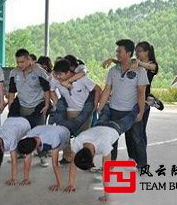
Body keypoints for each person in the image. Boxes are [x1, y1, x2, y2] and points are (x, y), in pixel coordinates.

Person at [102, 41, 159, 170]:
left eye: (140, 51)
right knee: (128, 134)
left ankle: (142, 162)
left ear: (147, 52)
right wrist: (113, 60)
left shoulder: (151, 65)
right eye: (137, 51)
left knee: (139, 134)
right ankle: (132, 158)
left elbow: (150, 69)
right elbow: (123, 62)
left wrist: (137, 63)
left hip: (142, 102)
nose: (137, 53)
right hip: (127, 103)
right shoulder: (129, 65)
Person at [67, 106, 140, 202]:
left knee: (132, 116)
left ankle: (145, 102)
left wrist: (107, 195)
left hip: (116, 127)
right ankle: (108, 102)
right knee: (105, 110)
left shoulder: (102, 145)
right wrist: (71, 184)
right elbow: (73, 163)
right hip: (99, 124)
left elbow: (107, 171)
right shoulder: (78, 141)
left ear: (93, 156)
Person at [50, 59, 100, 143]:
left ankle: (82, 155)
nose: (58, 77)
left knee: (83, 137)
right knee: (65, 135)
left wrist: (95, 106)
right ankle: (67, 156)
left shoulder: (82, 79)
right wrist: (57, 104)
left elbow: (98, 89)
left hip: (84, 111)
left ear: (68, 72)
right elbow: (51, 91)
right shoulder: (56, 80)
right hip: (68, 111)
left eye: (60, 74)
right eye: (56, 74)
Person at [16, 123, 71, 189]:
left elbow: (55, 164)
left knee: (59, 149)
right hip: (51, 130)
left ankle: (68, 148)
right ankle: (46, 151)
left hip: (64, 133)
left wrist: (59, 185)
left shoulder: (53, 139)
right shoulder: (29, 135)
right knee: (47, 148)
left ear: (34, 149)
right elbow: (27, 160)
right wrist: (26, 179)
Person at [7, 49, 50, 128]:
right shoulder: (14, 73)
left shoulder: (39, 72)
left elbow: (47, 89)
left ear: (28, 60)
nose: (20, 65)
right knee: (15, 128)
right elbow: (12, 90)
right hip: (21, 105)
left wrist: (46, 105)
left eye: (22, 62)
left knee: (36, 133)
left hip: (37, 105)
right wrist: (10, 104)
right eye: (18, 62)